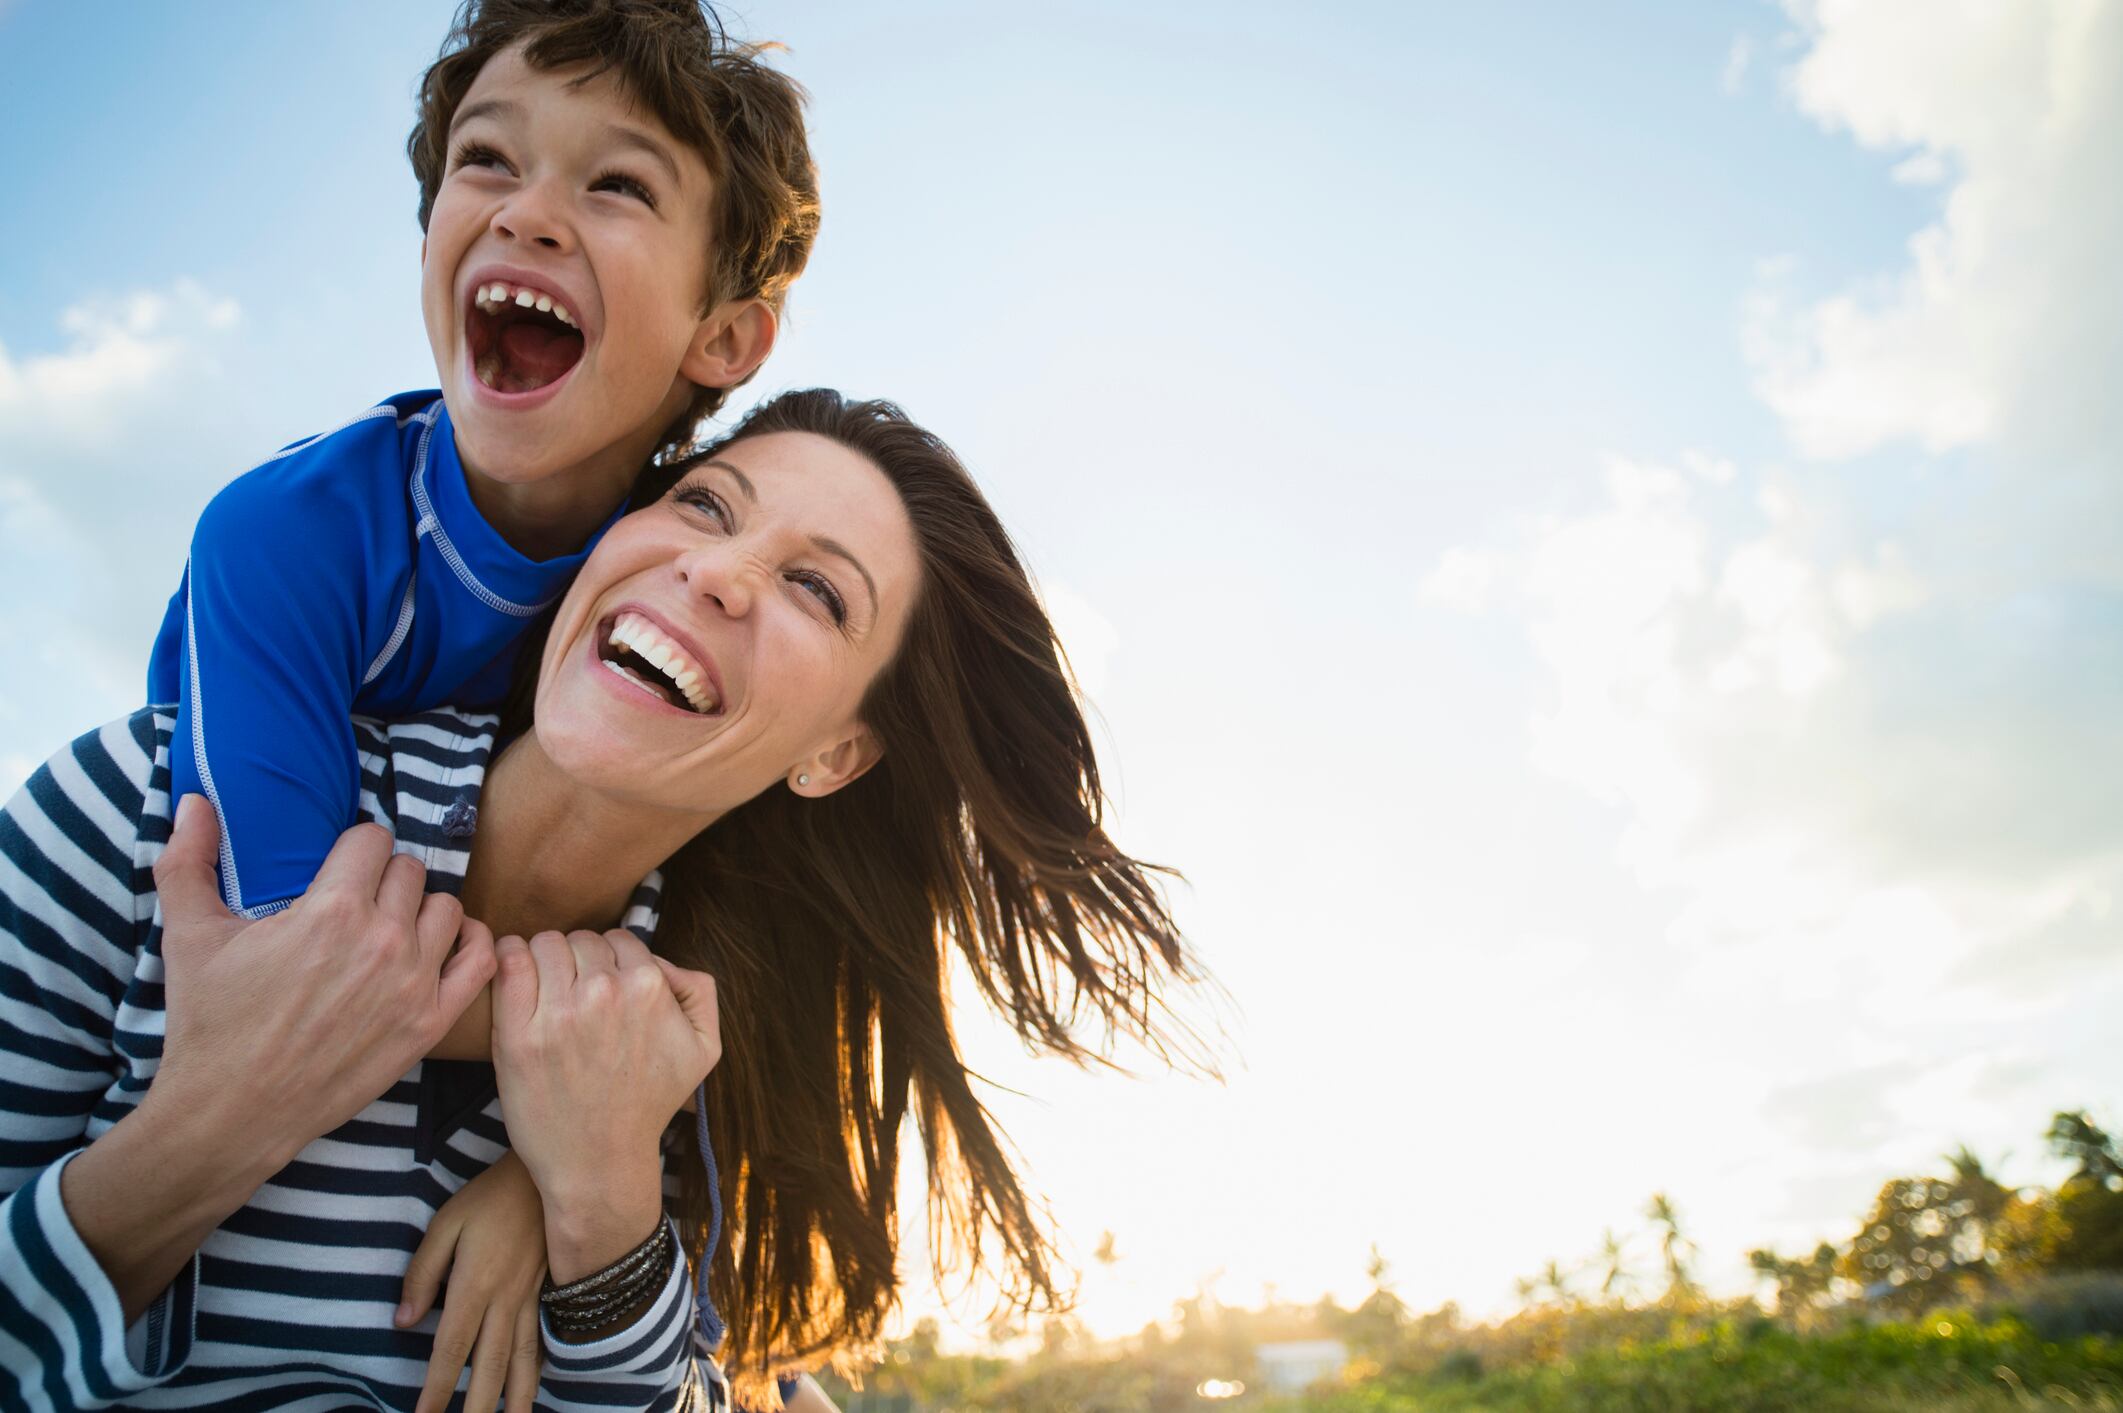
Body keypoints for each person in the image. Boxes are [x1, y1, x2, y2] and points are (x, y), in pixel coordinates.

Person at [0, 392, 1206, 1411]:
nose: (720, 572)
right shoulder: (155, 810)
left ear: (836, 754)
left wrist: (599, 1208)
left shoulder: (713, 1081)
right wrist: (214, 1127)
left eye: (816, 592)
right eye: (704, 505)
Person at [148, 0, 819, 923]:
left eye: (619, 184)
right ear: (431, 242)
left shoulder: (690, 588)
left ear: (725, 335)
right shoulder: (283, 536)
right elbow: (276, 962)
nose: (527, 213)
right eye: (487, 160)